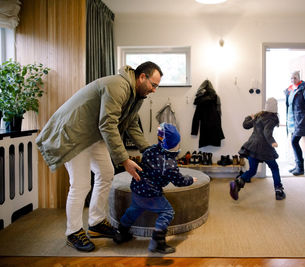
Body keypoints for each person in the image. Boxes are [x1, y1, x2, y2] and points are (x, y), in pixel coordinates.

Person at [35, 61, 163, 252]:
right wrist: (124, 160)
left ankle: (95, 223)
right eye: (153, 85)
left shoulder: (136, 96)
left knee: (105, 173)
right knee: (81, 184)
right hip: (74, 134)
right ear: (142, 77)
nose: (154, 90)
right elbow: (108, 124)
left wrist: (149, 151)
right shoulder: (118, 86)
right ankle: (73, 232)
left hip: (94, 134)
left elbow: (131, 125)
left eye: (156, 86)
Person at [113, 123, 197, 254]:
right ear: (172, 145)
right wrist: (191, 179)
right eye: (177, 143)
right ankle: (158, 242)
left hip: (137, 188)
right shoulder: (169, 164)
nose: (179, 146)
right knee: (167, 212)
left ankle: (121, 232)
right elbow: (179, 181)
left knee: (134, 210)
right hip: (151, 194)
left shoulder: (149, 150)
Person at [229, 97, 285, 201]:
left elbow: (245, 125)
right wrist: (273, 142)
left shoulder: (259, 115)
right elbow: (267, 133)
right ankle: (279, 191)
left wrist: (248, 117)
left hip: (252, 146)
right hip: (265, 148)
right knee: (274, 168)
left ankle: (237, 182)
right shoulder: (272, 118)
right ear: (276, 108)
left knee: (252, 170)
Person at [285, 71, 305, 176]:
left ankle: (300, 168)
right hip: (291, 121)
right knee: (293, 142)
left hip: (300, 119)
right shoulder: (290, 90)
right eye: (291, 78)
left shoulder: (304, 88)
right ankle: (297, 166)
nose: (292, 80)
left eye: (294, 78)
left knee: (294, 142)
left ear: (299, 78)